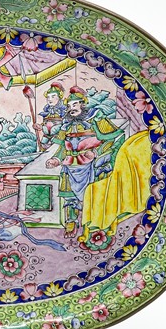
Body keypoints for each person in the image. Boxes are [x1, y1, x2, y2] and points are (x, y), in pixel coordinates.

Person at [45, 87, 124, 238]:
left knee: (94, 194)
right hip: (70, 165)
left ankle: (96, 222)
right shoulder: (66, 124)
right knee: (69, 195)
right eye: (69, 106)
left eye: (74, 104)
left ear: (83, 104)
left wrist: (96, 153)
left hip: (91, 165)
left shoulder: (96, 118)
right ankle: (71, 222)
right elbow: (63, 147)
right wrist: (56, 159)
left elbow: (112, 139)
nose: (71, 108)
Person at [33, 82, 67, 149]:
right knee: (42, 147)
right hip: (46, 137)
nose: (49, 99)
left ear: (59, 97)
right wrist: (40, 126)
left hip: (58, 138)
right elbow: (45, 124)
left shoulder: (63, 110)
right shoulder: (47, 111)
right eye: (48, 97)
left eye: (53, 96)